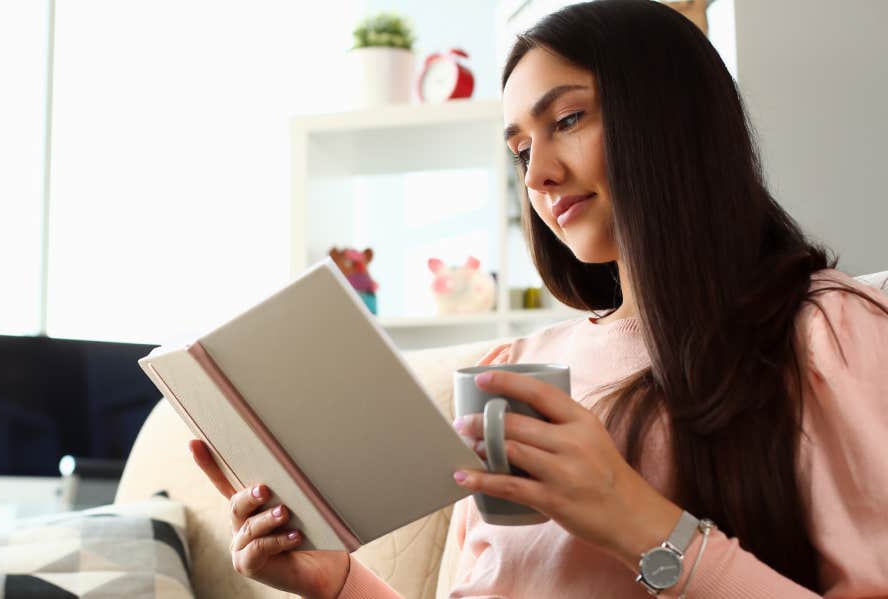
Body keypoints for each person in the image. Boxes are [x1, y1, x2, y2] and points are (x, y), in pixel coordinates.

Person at [190, 0, 888, 597]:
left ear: (671, 120)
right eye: (521, 150)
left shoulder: (823, 329)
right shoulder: (517, 365)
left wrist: (638, 522)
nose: (539, 176)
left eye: (569, 119)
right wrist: (339, 581)